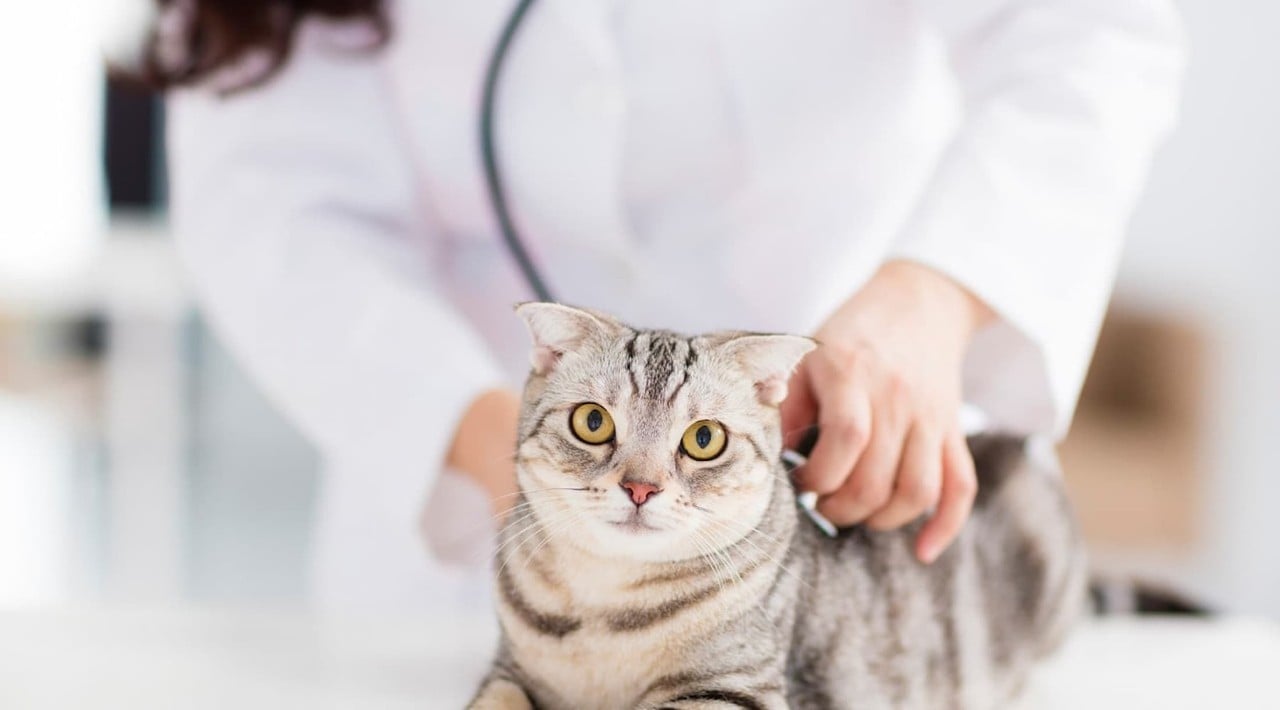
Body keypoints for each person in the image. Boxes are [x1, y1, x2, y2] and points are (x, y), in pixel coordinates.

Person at [153, 0, 1184, 609]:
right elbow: (275, 206)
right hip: (463, 569)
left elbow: (1085, 33)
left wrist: (935, 290)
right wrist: (503, 449)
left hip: (855, 488)